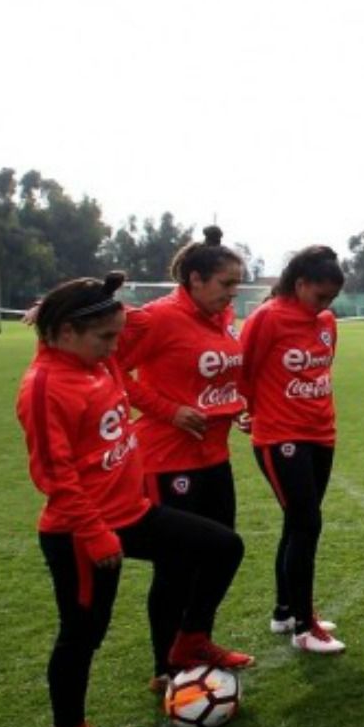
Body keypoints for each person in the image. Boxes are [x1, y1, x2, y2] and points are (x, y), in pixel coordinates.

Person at [20, 273, 248, 727]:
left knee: (223, 546)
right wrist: (95, 533)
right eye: (105, 338)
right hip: (83, 530)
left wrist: (77, 305)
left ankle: (188, 642)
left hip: (135, 514)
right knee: (83, 633)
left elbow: (130, 349)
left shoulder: (96, 363)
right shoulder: (45, 385)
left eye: (116, 336)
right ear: (65, 333)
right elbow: (54, 476)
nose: (114, 348)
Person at [115, 225, 251, 682]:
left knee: (219, 552)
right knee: (176, 564)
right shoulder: (157, 318)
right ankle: (164, 666)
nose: (233, 293)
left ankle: (194, 639)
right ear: (195, 279)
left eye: (236, 284)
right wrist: (168, 410)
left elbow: (216, 375)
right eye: (226, 283)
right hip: (167, 458)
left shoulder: (223, 317)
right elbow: (113, 370)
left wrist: (235, 407)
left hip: (215, 457)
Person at [238, 246, 346, 653]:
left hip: (321, 433)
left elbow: (322, 369)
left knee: (296, 523)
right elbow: (244, 370)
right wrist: (248, 410)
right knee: (307, 523)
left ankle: (284, 611)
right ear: (300, 284)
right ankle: (305, 626)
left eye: (331, 298)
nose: (325, 305)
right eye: (320, 296)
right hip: (280, 435)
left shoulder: (326, 322)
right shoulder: (268, 317)